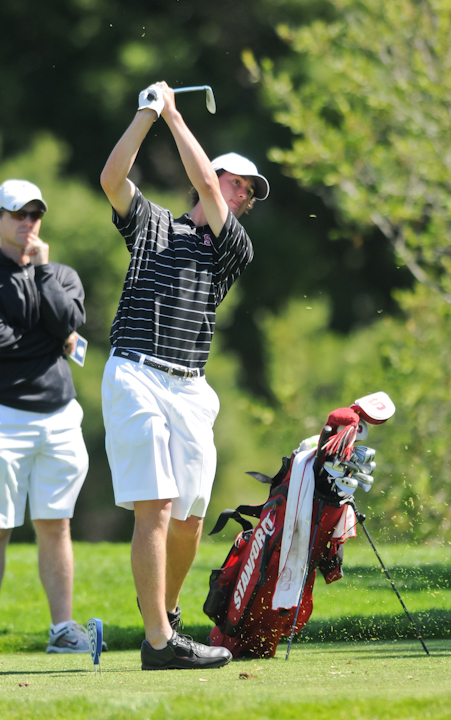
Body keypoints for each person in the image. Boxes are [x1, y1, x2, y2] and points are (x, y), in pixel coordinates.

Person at [100, 81, 270, 671]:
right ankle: (157, 644)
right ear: (216, 174)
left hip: (192, 387)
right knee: (158, 505)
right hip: (136, 373)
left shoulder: (233, 248)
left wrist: (173, 113)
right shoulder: (151, 226)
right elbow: (111, 180)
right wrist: (147, 114)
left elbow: (201, 182)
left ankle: (166, 618)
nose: (243, 195)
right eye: (237, 183)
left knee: (192, 514)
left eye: (249, 192)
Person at [0, 179, 90, 653]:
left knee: (55, 523)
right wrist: (53, 340)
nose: (27, 223)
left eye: (34, 215)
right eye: (18, 214)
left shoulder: (60, 274)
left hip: (58, 417)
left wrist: (40, 271)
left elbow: (68, 322)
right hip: (4, 419)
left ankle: (62, 630)